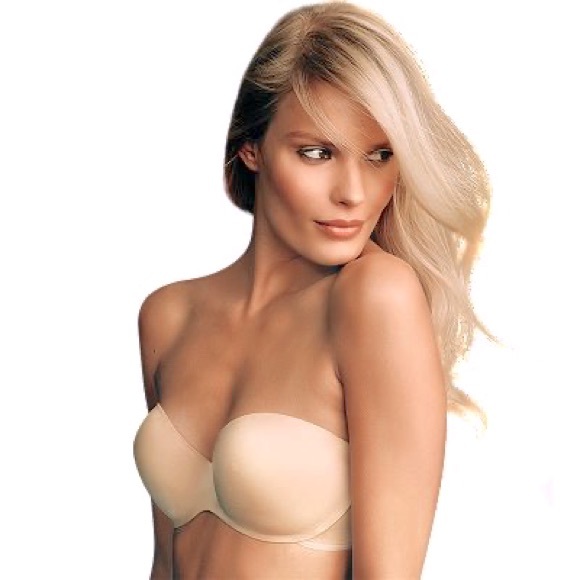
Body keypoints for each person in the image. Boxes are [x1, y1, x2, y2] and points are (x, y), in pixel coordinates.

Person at [133, 1, 493, 578]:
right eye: (318, 153)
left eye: (379, 156)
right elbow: (164, 560)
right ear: (251, 147)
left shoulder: (375, 297)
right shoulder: (169, 314)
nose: (353, 192)